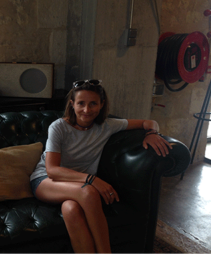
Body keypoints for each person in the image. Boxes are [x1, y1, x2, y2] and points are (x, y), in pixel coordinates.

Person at [30, 80, 172, 254]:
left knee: (70, 209)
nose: (86, 110)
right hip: (46, 181)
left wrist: (152, 133)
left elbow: (149, 122)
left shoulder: (107, 126)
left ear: (101, 104)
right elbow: (52, 170)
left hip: (76, 186)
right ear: (72, 104)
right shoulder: (59, 127)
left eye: (93, 104)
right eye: (81, 103)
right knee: (88, 192)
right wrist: (92, 179)